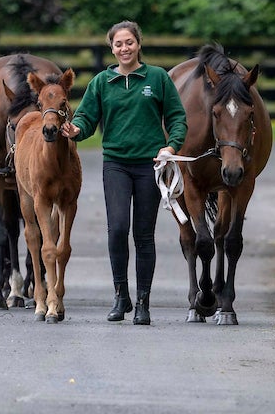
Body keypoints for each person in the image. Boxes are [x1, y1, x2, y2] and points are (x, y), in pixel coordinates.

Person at [61, 21, 187, 325]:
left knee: (144, 235)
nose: (124, 48)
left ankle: (143, 302)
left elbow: (177, 117)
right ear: (112, 48)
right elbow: (86, 117)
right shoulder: (102, 82)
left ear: (139, 44)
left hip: (149, 166)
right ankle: (121, 296)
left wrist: (171, 147)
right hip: (115, 163)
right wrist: (75, 130)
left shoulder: (157, 78)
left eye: (129, 42)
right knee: (117, 229)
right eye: (118, 44)